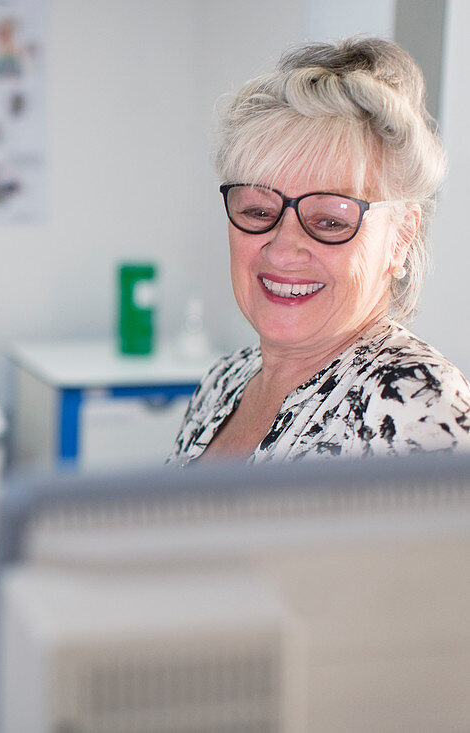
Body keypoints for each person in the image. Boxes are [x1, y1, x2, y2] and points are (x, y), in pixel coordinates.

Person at [169, 37, 470, 465]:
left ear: (400, 238)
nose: (284, 250)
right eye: (258, 210)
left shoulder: (416, 407)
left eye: (330, 220)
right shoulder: (224, 380)